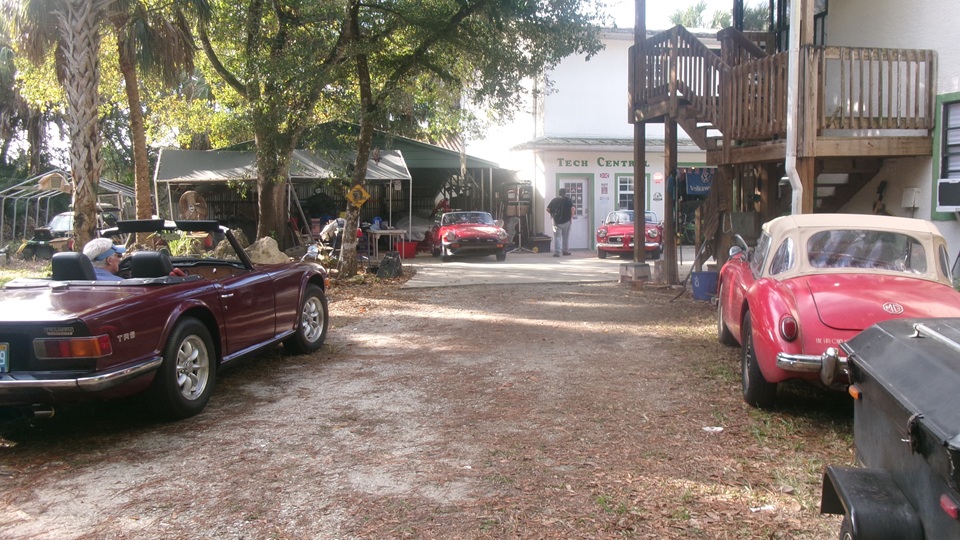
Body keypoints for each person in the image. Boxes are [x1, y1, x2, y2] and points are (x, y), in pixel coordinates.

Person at [546, 188, 575, 257]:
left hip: (555, 222)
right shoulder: (568, 200)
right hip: (567, 222)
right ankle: (565, 251)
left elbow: (548, 209)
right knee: (565, 237)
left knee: (557, 237)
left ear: (559, 193)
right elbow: (573, 209)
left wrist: (552, 214)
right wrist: (571, 218)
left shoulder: (554, 200)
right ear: (565, 193)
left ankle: (557, 252)